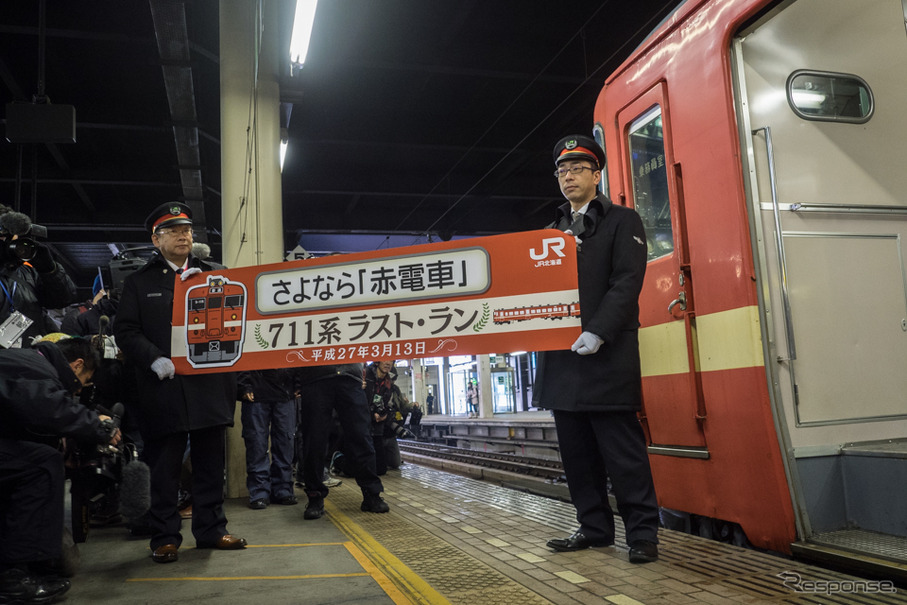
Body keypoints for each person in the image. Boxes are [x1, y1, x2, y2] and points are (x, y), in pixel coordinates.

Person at [535, 135, 659, 563]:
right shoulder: (550, 232)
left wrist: (599, 331)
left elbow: (627, 282)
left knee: (622, 453)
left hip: (607, 356)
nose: (568, 176)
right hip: (561, 359)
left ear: (596, 175)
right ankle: (593, 528)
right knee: (577, 455)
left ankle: (642, 535)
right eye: (561, 171)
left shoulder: (623, 221)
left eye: (577, 169)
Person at [114, 202, 246, 564]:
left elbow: (242, 319)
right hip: (162, 388)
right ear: (156, 240)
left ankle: (211, 531)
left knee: (208, 465)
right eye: (173, 230)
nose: (184, 235)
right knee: (165, 468)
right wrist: (153, 357)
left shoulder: (217, 274)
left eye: (187, 229)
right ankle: (164, 537)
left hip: (208, 386)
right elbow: (125, 329)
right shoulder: (139, 282)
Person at [0, 335, 121, 604]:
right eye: (85, 381)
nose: (79, 391)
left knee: (38, 459)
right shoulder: (36, 368)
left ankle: (27, 566)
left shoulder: (27, 362)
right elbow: (50, 408)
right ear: (77, 365)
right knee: (42, 465)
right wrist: (99, 426)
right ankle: (12, 579)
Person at [294, 363, 389, 520]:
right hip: (316, 376)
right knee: (314, 439)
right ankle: (315, 496)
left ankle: (371, 494)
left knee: (361, 436)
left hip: (350, 377)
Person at [0, 205, 77, 346]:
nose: (9, 242)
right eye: (3, 236)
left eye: (11, 236)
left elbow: (63, 300)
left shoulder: (26, 273)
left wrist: (49, 270)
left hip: (29, 360)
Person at [238, 369, 298, 509]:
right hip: (255, 389)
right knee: (256, 442)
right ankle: (259, 492)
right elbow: (243, 353)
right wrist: (244, 385)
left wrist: (298, 383)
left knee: (285, 442)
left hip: (286, 389)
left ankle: (283, 489)